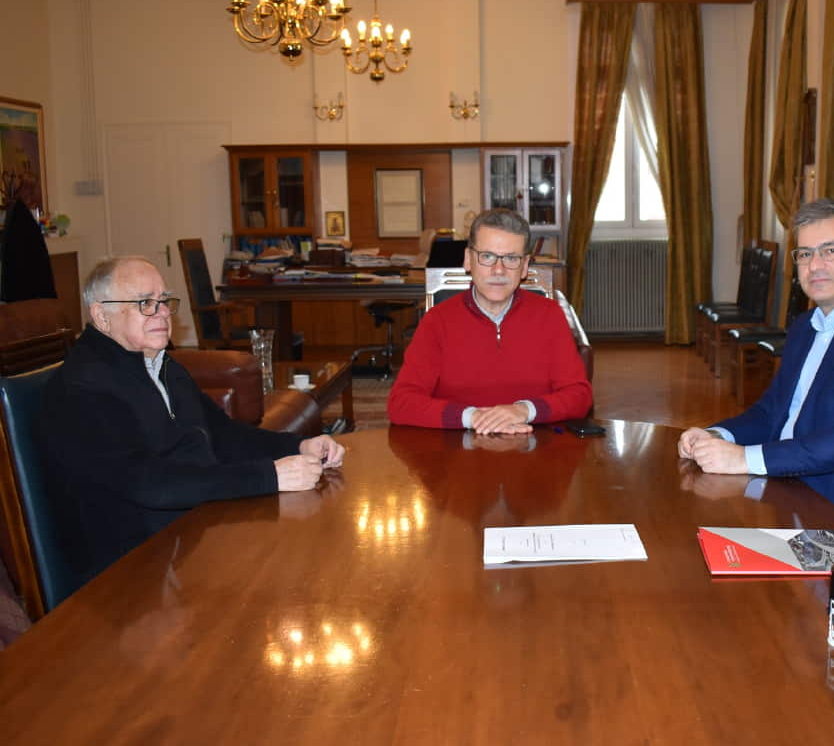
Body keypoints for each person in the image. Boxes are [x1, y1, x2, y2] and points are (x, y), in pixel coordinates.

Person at [40, 256, 345, 588]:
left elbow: (223, 435)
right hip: (131, 572)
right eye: (145, 303)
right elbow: (150, 484)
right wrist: (268, 476)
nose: (161, 312)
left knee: (314, 556)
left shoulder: (162, 366)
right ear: (101, 315)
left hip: (191, 534)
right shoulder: (82, 388)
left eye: (164, 301)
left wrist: (298, 446)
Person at [678, 198, 834, 525]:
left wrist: (744, 458)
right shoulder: (805, 326)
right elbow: (771, 413)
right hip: (791, 490)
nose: (815, 265)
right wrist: (719, 435)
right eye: (805, 254)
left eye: (831, 251)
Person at [388, 208, 592, 433]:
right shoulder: (437, 321)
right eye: (487, 256)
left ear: (524, 266)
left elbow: (579, 396)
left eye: (511, 258)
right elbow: (401, 403)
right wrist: (473, 417)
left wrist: (524, 410)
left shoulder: (550, 315)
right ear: (468, 260)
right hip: (457, 448)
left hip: (534, 447)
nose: (498, 270)